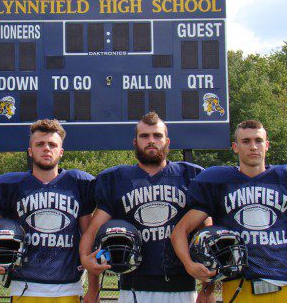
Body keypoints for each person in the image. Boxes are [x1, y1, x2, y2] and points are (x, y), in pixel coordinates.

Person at [171, 120, 287, 302]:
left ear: (267, 145)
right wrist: (190, 266)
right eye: (246, 141)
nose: (253, 147)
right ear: (235, 147)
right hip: (238, 287)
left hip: (284, 287)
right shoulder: (218, 182)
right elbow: (180, 231)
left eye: (258, 140)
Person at [0, 119, 99, 303]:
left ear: (60, 152)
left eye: (52, 144)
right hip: (24, 287)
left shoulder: (78, 184)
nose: (46, 148)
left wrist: (94, 290)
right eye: (40, 144)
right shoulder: (12, 186)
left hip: (69, 286)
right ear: (30, 151)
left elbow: (89, 239)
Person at [79, 111, 206, 303]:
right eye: (144, 136)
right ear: (135, 142)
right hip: (133, 288)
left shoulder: (190, 176)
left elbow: (206, 236)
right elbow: (93, 233)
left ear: (167, 141)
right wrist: (91, 282)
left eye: (157, 135)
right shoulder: (116, 180)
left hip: (183, 287)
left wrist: (207, 289)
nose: (151, 141)